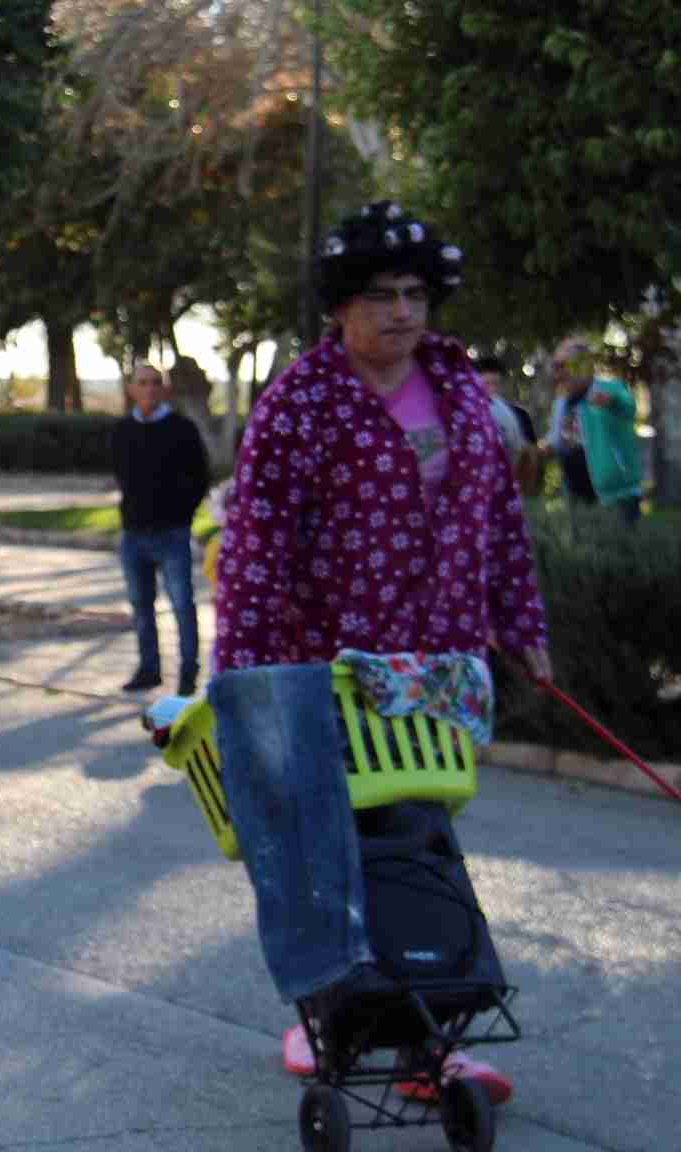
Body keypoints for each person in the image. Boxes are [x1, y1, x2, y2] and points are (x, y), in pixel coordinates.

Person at [212, 200, 551, 1104]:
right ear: (338, 307)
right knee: (337, 847)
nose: (400, 313)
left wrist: (525, 630)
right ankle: (336, 1017)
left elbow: (500, 525)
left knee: (423, 843)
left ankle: (425, 1036)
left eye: (413, 294)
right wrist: (241, 680)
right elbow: (254, 546)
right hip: (325, 668)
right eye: (377, 297)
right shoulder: (303, 400)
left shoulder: (462, 392)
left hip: (436, 668)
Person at [111, 363, 210, 696]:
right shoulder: (122, 431)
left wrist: (182, 513)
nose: (150, 388)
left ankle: (188, 672)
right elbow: (121, 475)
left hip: (172, 534)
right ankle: (148, 668)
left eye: (156, 383)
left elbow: (200, 478)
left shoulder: (182, 429)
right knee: (141, 605)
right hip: (134, 536)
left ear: (165, 389)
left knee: (182, 604)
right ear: (131, 390)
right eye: (143, 383)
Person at [541, 335, 644, 524]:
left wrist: (612, 401)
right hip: (577, 496)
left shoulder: (609, 389)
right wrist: (541, 449)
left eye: (565, 365)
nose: (560, 372)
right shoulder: (561, 403)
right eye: (557, 366)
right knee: (586, 551)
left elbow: (628, 406)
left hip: (616, 494)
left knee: (623, 549)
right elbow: (557, 440)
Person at [474, 353, 543, 496]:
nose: (491, 390)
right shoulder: (464, 413)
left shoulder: (519, 415)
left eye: (495, 384)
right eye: (486, 384)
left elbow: (530, 457)